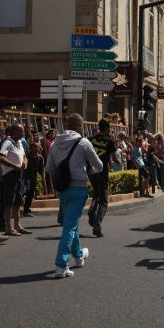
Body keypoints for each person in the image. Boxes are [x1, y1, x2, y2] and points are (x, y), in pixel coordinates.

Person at [46, 113, 103, 278]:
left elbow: (49, 167)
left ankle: (78, 256)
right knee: (70, 226)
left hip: (62, 189)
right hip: (79, 189)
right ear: (81, 126)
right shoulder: (83, 142)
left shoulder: (56, 143)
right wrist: (91, 170)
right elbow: (98, 165)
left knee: (72, 224)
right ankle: (61, 264)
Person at [88, 119, 120, 237]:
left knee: (96, 192)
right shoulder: (109, 141)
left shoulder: (90, 139)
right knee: (104, 201)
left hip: (91, 171)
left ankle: (92, 210)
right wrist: (118, 161)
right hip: (102, 172)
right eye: (109, 127)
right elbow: (114, 158)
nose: (110, 129)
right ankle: (97, 226)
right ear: (106, 128)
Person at [0, 124, 30, 236]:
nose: (23, 133)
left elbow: (24, 155)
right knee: (9, 201)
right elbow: (0, 157)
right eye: (22, 131)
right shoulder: (7, 143)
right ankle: (8, 227)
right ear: (15, 132)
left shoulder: (20, 142)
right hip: (10, 174)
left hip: (18, 174)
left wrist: (24, 163)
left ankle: (17, 225)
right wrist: (14, 166)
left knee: (18, 200)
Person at [23, 143, 46, 217]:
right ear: (31, 148)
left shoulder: (40, 157)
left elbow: (42, 168)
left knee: (30, 194)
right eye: (35, 147)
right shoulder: (27, 156)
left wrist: (43, 177)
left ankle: (26, 210)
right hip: (25, 177)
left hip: (34, 177)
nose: (37, 148)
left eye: (38, 147)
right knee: (26, 189)